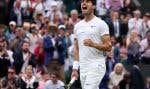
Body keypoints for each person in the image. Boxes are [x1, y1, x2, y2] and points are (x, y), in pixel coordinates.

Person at [71, 0, 112, 89]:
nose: (84, 3)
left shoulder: (101, 24)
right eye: (82, 1)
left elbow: (109, 47)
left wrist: (93, 44)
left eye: (87, 1)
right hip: (83, 67)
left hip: (97, 64)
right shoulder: (77, 26)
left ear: (93, 6)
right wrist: (75, 68)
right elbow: (77, 49)